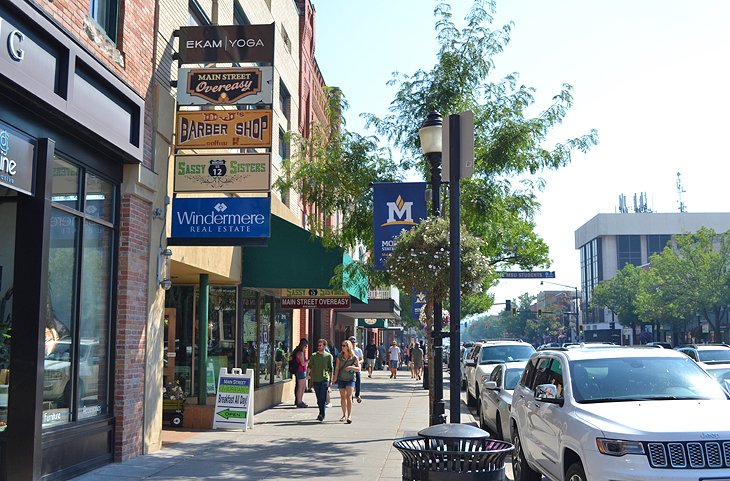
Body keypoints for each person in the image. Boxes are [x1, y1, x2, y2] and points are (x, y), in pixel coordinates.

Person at [332, 339, 359, 423]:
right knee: (343, 397)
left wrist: (351, 367)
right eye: (342, 345)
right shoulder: (339, 356)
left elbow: (358, 369)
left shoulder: (354, 357)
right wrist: (335, 377)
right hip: (341, 378)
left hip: (350, 379)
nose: (342, 347)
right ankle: (344, 415)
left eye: (344, 346)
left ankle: (349, 416)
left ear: (348, 347)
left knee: (349, 396)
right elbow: (336, 368)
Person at [307, 339, 333, 422]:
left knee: (322, 397)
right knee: (319, 398)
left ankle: (322, 414)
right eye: (318, 345)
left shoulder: (328, 356)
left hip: (324, 379)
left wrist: (330, 382)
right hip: (316, 379)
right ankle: (321, 412)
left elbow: (331, 369)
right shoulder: (314, 355)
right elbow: (310, 366)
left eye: (320, 345)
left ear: (325, 346)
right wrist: (307, 375)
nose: (319, 347)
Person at [292, 338, 309, 408]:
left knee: (302, 387)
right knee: (300, 387)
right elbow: (302, 363)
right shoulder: (300, 353)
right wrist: (309, 361)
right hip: (300, 371)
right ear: (303, 345)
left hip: (301, 371)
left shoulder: (298, 352)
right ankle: (299, 401)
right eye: (306, 346)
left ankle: (300, 400)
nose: (306, 348)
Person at [349, 335, 363, 403]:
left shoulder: (358, 350)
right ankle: (350, 396)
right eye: (351, 342)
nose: (353, 343)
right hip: (349, 369)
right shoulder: (348, 350)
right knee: (350, 383)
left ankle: (357, 395)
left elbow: (362, 359)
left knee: (357, 383)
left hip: (357, 369)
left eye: (354, 342)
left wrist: (357, 363)